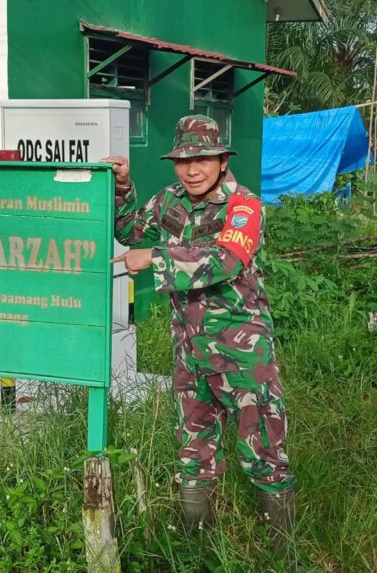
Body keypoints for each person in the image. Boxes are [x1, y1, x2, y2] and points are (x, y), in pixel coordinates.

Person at [103, 114, 295, 556]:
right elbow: (129, 230)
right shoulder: (171, 199)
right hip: (189, 351)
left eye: (203, 159)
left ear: (223, 160)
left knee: (263, 449)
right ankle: (194, 549)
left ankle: (282, 552)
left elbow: (228, 258)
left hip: (241, 352)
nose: (192, 170)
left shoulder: (243, 206)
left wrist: (154, 258)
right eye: (183, 161)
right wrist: (122, 186)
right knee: (193, 451)